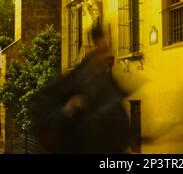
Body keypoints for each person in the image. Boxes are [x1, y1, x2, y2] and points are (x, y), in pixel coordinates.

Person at [30, 24, 130, 154]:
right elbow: (43, 111)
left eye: (107, 49)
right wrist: (69, 108)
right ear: (93, 50)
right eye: (102, 50)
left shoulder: (108, 85)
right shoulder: (73, 81)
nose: (108, 56)